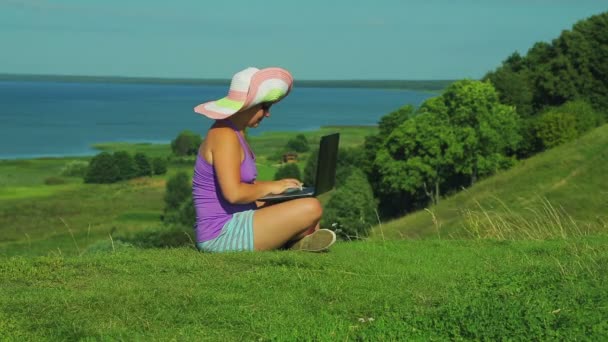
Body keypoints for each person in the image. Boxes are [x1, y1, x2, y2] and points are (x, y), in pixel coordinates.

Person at [191, 67, 336, 253]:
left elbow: (240, 186)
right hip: (221, 233)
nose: (268, 114)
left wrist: (281, 187)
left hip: (238, 217)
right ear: (247, 105)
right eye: (265, 107)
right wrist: (272, 187)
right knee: (311, 207)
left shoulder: (234, 133)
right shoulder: (224, 135)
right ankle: (295, 242)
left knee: (303, 206)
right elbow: (234, 194)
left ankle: (296, 243)